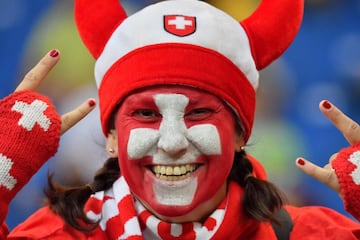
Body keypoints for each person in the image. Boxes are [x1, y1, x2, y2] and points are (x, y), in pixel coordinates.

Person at [1, 0, 360, 239]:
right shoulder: (57, 234)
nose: (172, 142)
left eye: (200, 112)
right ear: (111, 135)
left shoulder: (308, 234)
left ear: (239, 132)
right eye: (145, 114)